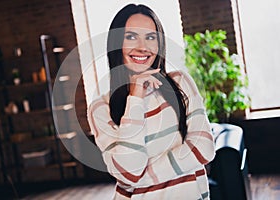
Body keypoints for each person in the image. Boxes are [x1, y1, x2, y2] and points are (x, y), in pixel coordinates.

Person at [88, 4, 215, 200]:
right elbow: (129, 171)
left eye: (150, 37)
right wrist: (135, 98)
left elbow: (203, 149)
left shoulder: (180, 83)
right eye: (131, 37)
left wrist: (139, 180)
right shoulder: (101, 108)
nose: (142, 46)